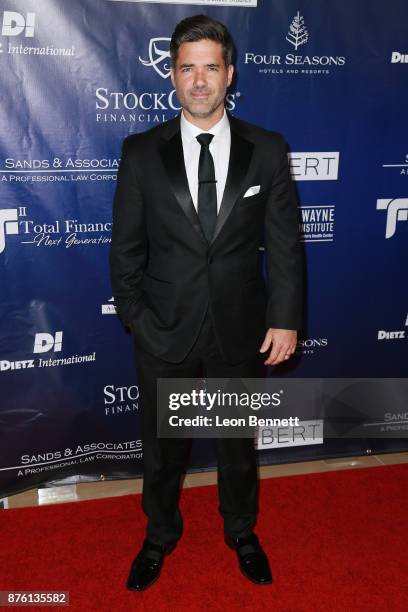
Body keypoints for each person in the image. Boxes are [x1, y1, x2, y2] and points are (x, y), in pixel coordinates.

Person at [110, 14, 302, 592]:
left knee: (236, 445)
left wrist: (285, 320)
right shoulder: (141, 151)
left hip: (240, 330)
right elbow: (126, 250)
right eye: (187, 68)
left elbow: (287, 244)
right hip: (164, 329)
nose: (199, 81)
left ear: (229, 74)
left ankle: (242, 532)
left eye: (210, 68)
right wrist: (137, 320)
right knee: (164, 448)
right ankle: (158, 535)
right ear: (172, 75)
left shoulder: (266, 149)